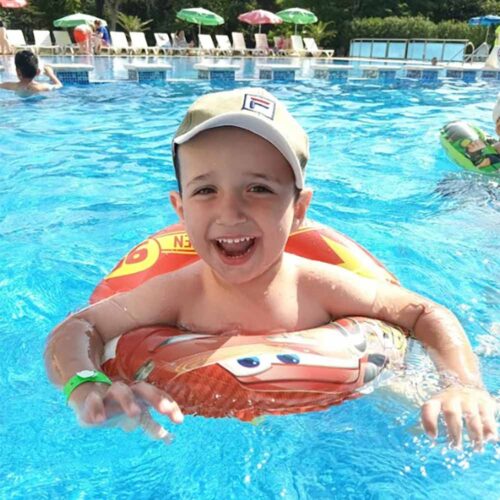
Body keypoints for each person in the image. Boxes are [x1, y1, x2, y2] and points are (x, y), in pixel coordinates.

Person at [44, 88, 497, 449]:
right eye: (205, 191)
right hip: (200, 428)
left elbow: (424, 313)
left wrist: (463, 386)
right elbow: (79, 326)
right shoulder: (177, 294)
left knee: (431, 428)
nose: (231, 212)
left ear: (299, 210)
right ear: (179, 210)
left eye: (258, 188)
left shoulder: (314, 286)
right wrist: (87, 387)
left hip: (333, 423)